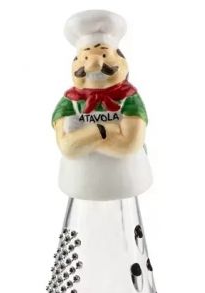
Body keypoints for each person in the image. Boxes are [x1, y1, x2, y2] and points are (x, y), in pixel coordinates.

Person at [52, 10, 152, 200]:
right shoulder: (70, 101)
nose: (93, 65)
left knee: (125, 214)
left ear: (122, 61)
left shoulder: (129, 98)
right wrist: (107, 131)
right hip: (79, 180)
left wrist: (84, 139)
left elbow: (130, 143)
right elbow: (66, 146)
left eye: (104, 54)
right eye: (85, 57)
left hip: (127, 178)